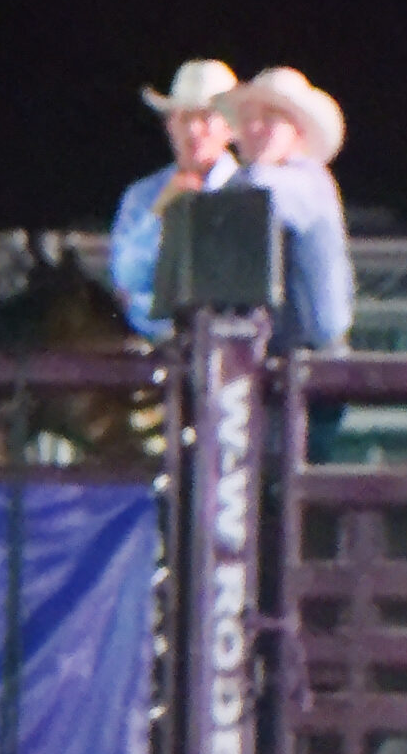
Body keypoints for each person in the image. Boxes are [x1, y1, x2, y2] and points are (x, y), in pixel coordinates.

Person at [217, 68, 354, 457]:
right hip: (277, 369)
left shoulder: (307, 181)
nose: (254, 128)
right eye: (248, 118)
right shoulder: (254, 183)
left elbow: (258, 196)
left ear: (298, 131)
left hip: (313, 372)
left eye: (270, 118)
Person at [109, 60, 240, 338]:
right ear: (170, 125)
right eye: (184, 117)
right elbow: (125, 277)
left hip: (228, 344)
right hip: (154, 347)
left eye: (205, 117)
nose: (193, 130)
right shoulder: (143, 195)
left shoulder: (247, 192)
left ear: (230, 127)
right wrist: (160, 211)